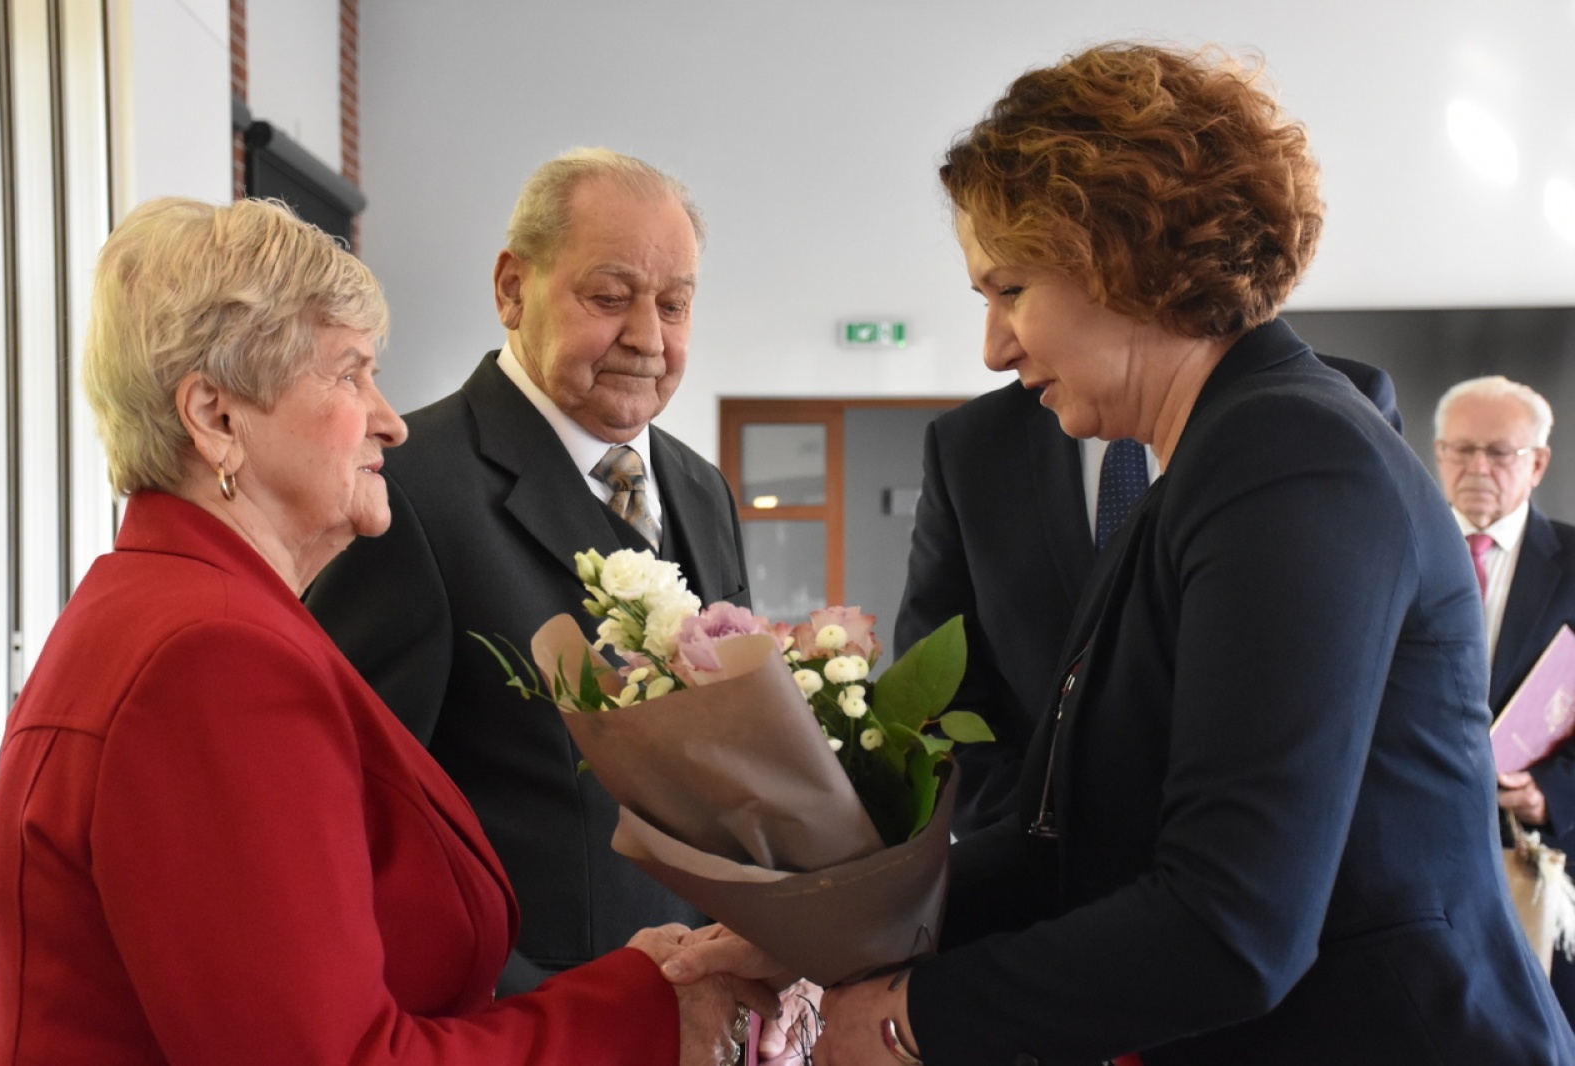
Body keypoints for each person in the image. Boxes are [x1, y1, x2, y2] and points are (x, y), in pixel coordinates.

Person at [667, 43, 1575, 1064]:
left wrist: (908, 1020)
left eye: (1008, 288)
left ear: (1124, 255)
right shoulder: (1206, 458)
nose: (993, 348)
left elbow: (1231, 926)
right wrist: (815, 939)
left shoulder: (1290, 457)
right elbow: (1074, 842)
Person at [0, 196, 765, 1065]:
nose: (389, 420)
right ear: (215, 417)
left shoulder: (177, 611)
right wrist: (636, 1008)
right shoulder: (212, 659)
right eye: (349, 374)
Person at [304, 148, 750, 996]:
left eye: (676, 304)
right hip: (528, 1021)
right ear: (512, 287)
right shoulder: (407, 494)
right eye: (610, 298)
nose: (649, 339)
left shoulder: (701, 490)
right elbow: (348, 827)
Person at [897, 359, 1404, 837]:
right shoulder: (971, 444)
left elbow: (1369, 670)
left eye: (1014, 291)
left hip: (1277, 852)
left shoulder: (1330, 405)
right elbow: (937, 690)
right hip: (1049, 866)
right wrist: (1041, 839)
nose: (995, 351)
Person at [1433, 374, 1575, 1023]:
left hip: (1537, 866)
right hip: (1415, 870)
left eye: (1499, 452)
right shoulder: (1398, 550)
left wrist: (1549, 793)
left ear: (1539, 462)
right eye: (1460, 450)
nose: (1476, 468)